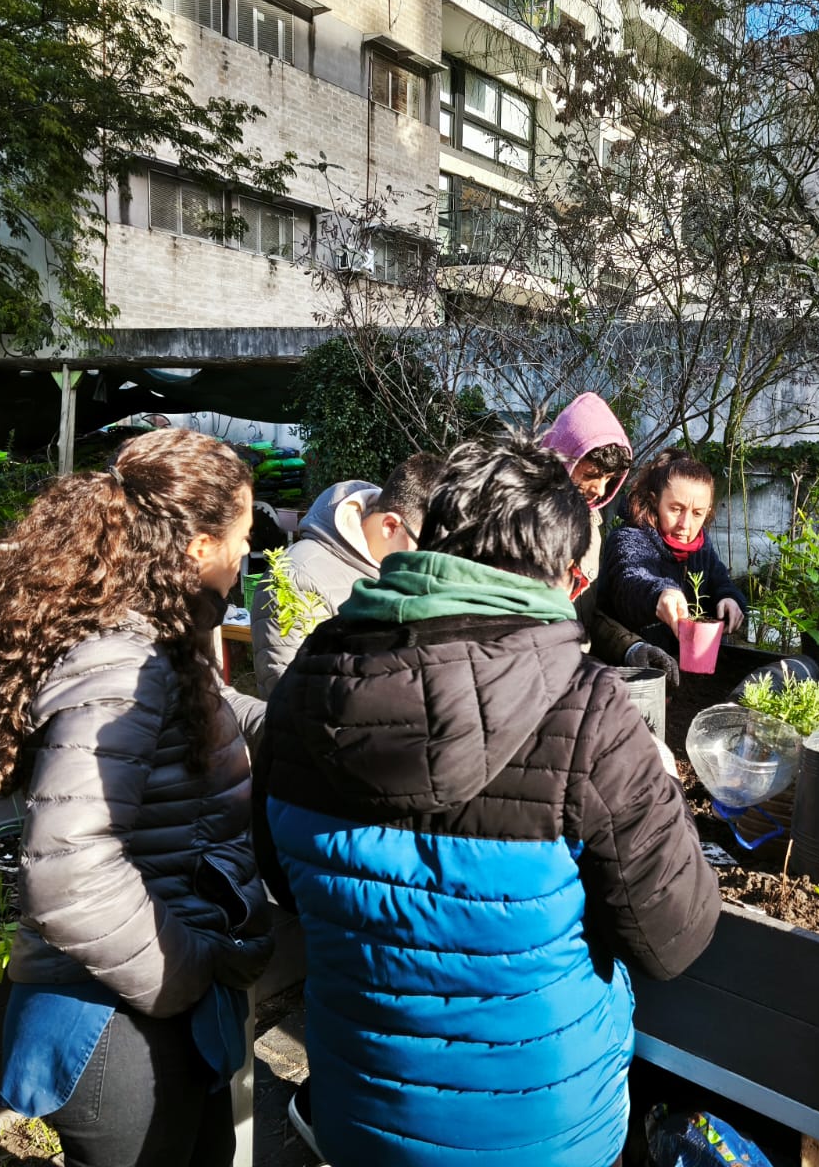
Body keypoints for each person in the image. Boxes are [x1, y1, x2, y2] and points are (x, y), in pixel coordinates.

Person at [258, 434, 721, 1167]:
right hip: (547, 1136)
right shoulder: (593, 719)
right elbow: (675, 938)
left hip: (364, 1118)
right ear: (567, 580)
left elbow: (285, 882)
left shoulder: (306, 686)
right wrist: (658, 793)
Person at [0, 429, 275, 1167]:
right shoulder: (123, 662)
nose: (247, 554)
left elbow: (222, 712)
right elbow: (66, 872)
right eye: (242, 536)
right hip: (115, 1019)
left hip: (153, 999)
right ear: (197, 548)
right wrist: (180, 972)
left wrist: (319, 726)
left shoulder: (159, 638)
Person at [251, 452, 443, 698]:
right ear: (391, 526)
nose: (433, 562)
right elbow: (290, 695)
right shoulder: (296, 576)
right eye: (427, 549)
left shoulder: (401, 572)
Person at [541, 392, 681, 685]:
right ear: (563, 458)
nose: (600, 490)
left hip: (572, 676)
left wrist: (632, 648)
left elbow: (584, 615)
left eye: (609, 479)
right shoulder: (516, 523)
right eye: (592, 474)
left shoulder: (592, 526)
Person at [600, 448, 747, 659]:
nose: (685, 525)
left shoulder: (701, 546)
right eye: (676, 509)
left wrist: (729, 598)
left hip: (690, 667)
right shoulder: (629, 538)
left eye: (697, 513)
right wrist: (661, 593)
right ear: (654, 501)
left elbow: (720, 581)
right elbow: (631, 577)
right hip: (633, 669)